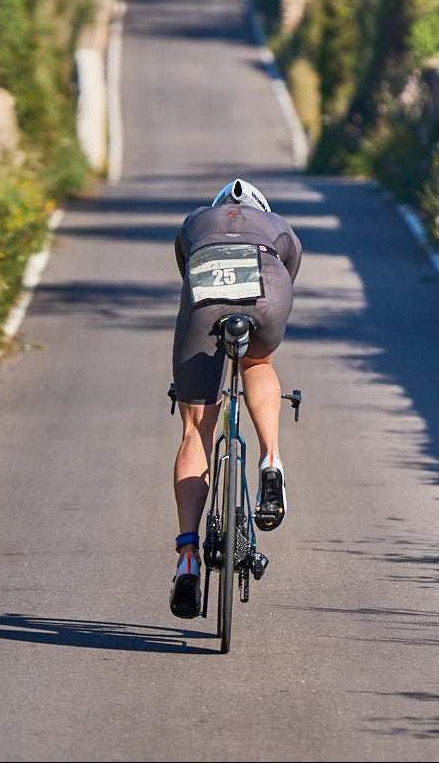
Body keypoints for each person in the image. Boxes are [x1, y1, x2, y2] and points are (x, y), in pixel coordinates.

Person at [169, 178, 302, 619]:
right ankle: (271, 460)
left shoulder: (196, 220)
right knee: (258, 362)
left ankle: (188, 556)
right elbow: (287, 276)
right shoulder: (279, 226)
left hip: (206, 289)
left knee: (196, 430)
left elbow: (187, 275)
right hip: (268, 285)